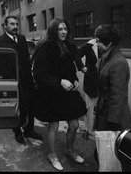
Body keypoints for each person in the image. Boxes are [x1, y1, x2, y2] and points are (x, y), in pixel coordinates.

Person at [32, 18, 87, 171]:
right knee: (54, 126)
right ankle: (52, 155)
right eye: (60, 29)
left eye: (65, 29)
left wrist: (75, 79)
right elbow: (39, 74)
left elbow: (70, 68)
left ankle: (69, 151)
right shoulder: (46, 47)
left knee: (74, 124)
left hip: (67, 91)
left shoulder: (68, 45)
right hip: (51, 92)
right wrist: (59, 81)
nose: (63, 32)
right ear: (53, 31)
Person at [0, 15, 42, 144]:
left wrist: (30, 74)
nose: (15, 26)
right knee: (16, 106)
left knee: (30, 104)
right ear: (5, 26)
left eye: (16, 24)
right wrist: (11, 78)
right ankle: (17, 131)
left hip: (27, 79)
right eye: (12, 24)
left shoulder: (21, 38)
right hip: (13, 81)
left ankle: (29, 130)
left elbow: (26, 58)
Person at [93, 24, 131, 171]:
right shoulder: (105, 58)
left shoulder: (118, 62)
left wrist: (112, 122)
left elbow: (118, 96)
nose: (96, 44)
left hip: (113, 116)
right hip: (104, 111)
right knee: (104, 149)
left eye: (98, 41)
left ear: (109, 43)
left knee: (112, 151)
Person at [77, 38, 99, 139]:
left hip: (103, 81)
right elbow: (77, 55)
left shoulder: (108, 45)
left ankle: (98, 129)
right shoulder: (89, 45)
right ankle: (87, 129)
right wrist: (81, 67)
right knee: (89, 106)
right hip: (91, 80)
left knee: (100, 106)